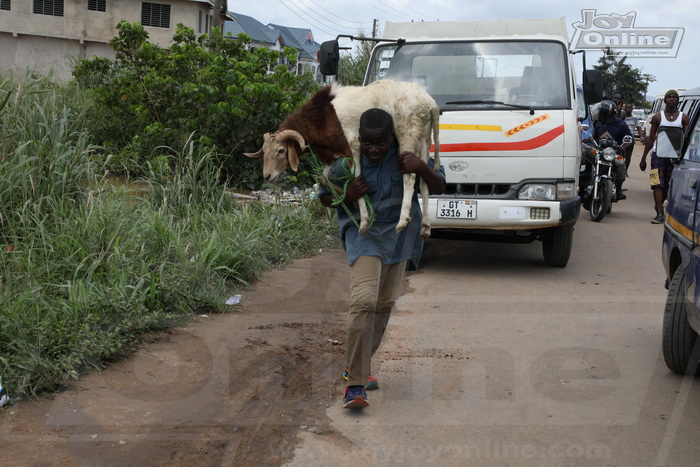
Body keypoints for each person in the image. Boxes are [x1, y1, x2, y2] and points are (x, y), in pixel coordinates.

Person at [318, 108, 445, 409]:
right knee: (363, 302)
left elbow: (439, 185)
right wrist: (347, 194)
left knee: (384, 305)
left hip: (400, 236)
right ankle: (355, 386)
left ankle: (357, 366)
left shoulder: (407, 154)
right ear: (359, 138)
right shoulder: (348, 161)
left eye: (381, 143)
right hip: (363, 236)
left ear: (392, 139)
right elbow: (323, 195)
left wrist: (421, 168)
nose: (374, 150)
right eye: (368, 143)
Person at [639, 89, 689, 224]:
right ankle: (660, 213)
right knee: (657, 183)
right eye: (669, 97)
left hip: (674, 155)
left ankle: (660, 205)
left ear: (677, 100)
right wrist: (643, 158)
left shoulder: (683, 118)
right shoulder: (658, 117)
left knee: (667, 184)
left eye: (674, 97)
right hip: (658, 154)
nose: (672, 99)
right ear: (665, 100)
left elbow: (686, 139)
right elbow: (651, 138)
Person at [592, 99, 632, 200]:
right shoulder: (598, 124)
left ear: (607, 113)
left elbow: (629, 139)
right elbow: (594, 137)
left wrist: (622, 147)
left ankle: (618, 189)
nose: (599, 113)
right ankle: (585, 186)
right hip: (599, 152)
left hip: (613, 153)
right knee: (586, 159)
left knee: (620, 164)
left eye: (601, 111)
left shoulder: (621, 124)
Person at [623, 102, 647, 171]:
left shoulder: (635, 119)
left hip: (631, 140)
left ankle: (626, 170)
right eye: (627, 107)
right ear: (625, 108)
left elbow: (639, 128)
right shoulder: (622, 118)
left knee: (628, 156)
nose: (629, 109)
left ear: (632, 109)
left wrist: (641, 137)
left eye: (630, 107)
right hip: (622, 139)